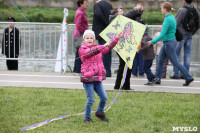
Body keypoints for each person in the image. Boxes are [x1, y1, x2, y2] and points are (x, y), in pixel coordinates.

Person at [79, 30, 123, 122]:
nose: (89, 40)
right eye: (87, 38)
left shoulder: (98, 49)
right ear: (83, 40)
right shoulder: (82, 49)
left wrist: (116, 38)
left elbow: (109, 47)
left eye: (91, 38)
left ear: (94, 40)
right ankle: (86, 118)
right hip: (88, 79)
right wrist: (102, 46)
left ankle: (99, 113)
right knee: (91, 99)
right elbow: (90, 52)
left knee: (104, 97)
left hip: (97, 79)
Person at [147, 2, 194, 86]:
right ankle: (158, 79)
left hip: (169, 43)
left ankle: (188, 77)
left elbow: (162, 34)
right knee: (160, 60)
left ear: (165, 9)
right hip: (168, 42)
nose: (161, 10)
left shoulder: (168, 19)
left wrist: (152, 42)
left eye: (161, 8)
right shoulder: (172, 17)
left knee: (175, 62)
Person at [112, 4, 144, 90]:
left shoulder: (125, 19)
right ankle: (118, 86)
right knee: (123, 65)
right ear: (116, 13)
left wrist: (140, 11)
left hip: (127, 45)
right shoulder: (114, 19)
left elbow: (135, 18)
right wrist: (136, 8)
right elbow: (128, 15)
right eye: (120, 11)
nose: (123, 12)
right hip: (120, 46)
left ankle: (125, 86)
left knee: (129, 65)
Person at [170, 0, 199, 79]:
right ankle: (185, 74)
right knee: (187, 54)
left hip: (181, 35)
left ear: (184, 1)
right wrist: (192, 33)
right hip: (189, 34)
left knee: (176, 54)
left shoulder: (181, 10)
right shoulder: (195, 10)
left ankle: (176, 74)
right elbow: (198, 24)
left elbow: (176, 23)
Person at [92, 0, 113, 77]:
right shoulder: (109, 5)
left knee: (103, 51)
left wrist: (105, 22)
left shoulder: (97, 5)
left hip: (100, 31)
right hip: (109, 32)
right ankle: (108, 70)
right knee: (108, 51)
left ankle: (104, 71)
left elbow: (98, 14)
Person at [73, 0, 88, 75]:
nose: (87, 4)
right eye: (85, 2)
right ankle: (76, 70)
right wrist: (85, 32)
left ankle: (78, 70)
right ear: (81, 4)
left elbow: (75, 21)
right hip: (79, 35)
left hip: (80, 34)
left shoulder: (81, 11)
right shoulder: (80, 12)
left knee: (80, 52)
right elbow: (78, 24)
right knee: (79, 52)